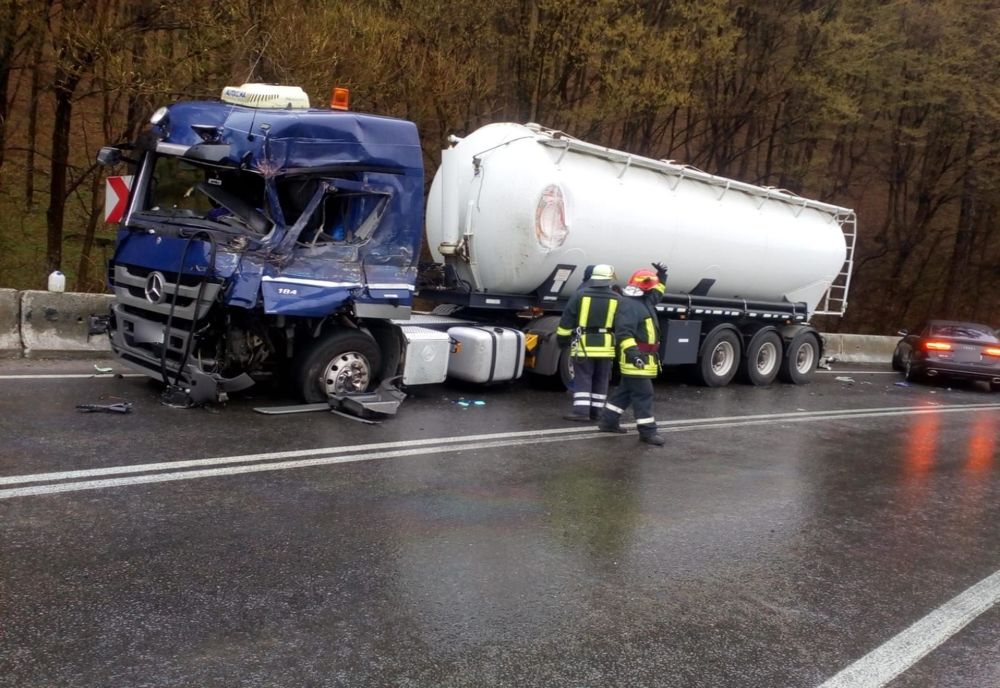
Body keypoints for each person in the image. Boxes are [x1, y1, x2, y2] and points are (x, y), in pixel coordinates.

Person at [598, 262, 669, 446]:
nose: (653, 291)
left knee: (625, 392)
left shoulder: (645, 300)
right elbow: (624, 334)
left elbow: (657, 292)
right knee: (644, 393)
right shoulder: (630, 305)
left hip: (643, 358)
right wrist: (634, 355)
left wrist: (661, 276)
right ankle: (648, 432)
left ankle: (608, 422)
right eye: (651, 287)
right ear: (644, 289)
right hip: (635, 358)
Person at [556, 264, 620, 421]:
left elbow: (567, 320)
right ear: (609, 279)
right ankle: (597, 412)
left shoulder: (580, 295)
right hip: (606, 346)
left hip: (584, 345)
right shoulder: (618, 298)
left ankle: (581, 412)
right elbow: (621, 324)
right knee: (601, 378)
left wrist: (562, 340)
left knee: (583, 377)